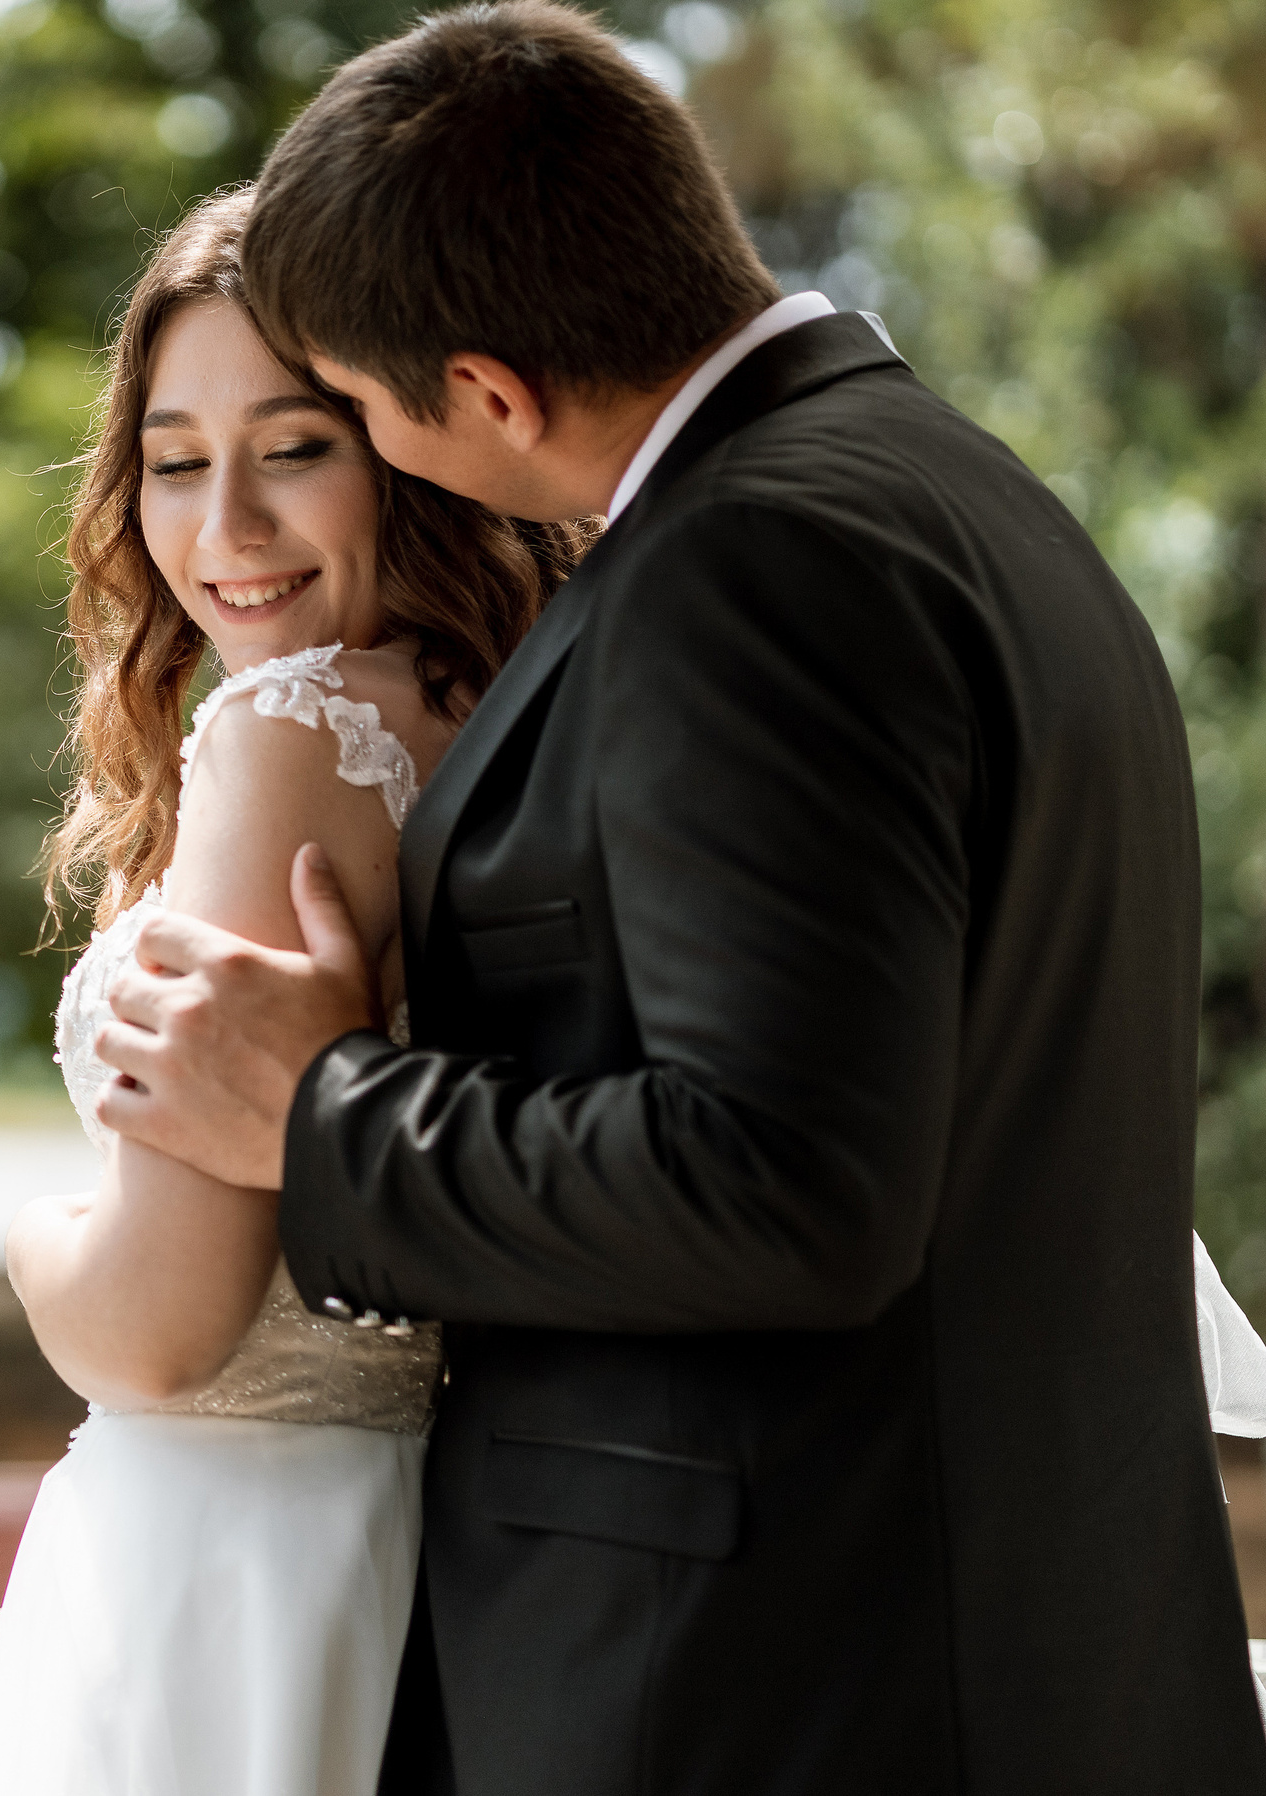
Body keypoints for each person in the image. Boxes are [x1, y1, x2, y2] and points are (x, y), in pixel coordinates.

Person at [89, 4, 1266, 1791]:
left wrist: (322, 1109)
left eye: (365, 414)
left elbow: (788, 1183)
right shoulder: (975, 501)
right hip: (1023, 1656)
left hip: (789, 1693)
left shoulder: (749, 564)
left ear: (484, 393)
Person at [0, 188, 581, 1794]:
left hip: (230, 1574)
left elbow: (155, 1327)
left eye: (294, 449)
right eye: (172, 461)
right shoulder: (496, 708)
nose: (224, 528)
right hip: (374, 1564)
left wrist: (26, 1235)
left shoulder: (290, 733)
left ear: (403, 445)